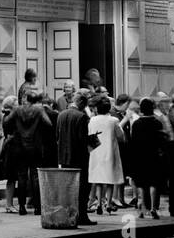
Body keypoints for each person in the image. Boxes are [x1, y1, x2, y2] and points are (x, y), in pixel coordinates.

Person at [8, 90, 52, 215]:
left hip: (20, 147)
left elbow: (7, 122)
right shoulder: (39, 110)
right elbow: (48, 124)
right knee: (35, 177)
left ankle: (22, 207)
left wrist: (16, 127)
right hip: (35, 147)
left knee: (21, 177)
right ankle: (37, 207)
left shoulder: (17, 110)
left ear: (26, 99)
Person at [56, 88, 95, 226]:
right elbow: (82, 139)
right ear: (83, 104)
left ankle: (68, 214)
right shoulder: (81, 117)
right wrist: (93, 140)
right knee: (83, 188)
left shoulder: (61, 115)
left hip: (64, 158)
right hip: (79, 158)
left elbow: (58, 137)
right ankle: (82, 216)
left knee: (68, 188)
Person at [87, 95, 126, 215]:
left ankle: (99, 203)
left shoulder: (92, 120)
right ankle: (108, 203)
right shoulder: (113, 120)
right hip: (109, 151)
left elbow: (90, 135)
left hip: (96, 151)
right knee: (109, 180)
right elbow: (120, 136)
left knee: (98, 179)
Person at [128, 97, 165, 218]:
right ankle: (154, 207)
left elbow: (133, 142)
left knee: (141, 184)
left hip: (140, 156)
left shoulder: (137, 124)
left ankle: (143, 208)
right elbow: (161, 141)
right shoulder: (157, 123)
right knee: (154, 182)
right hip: (154, 156)